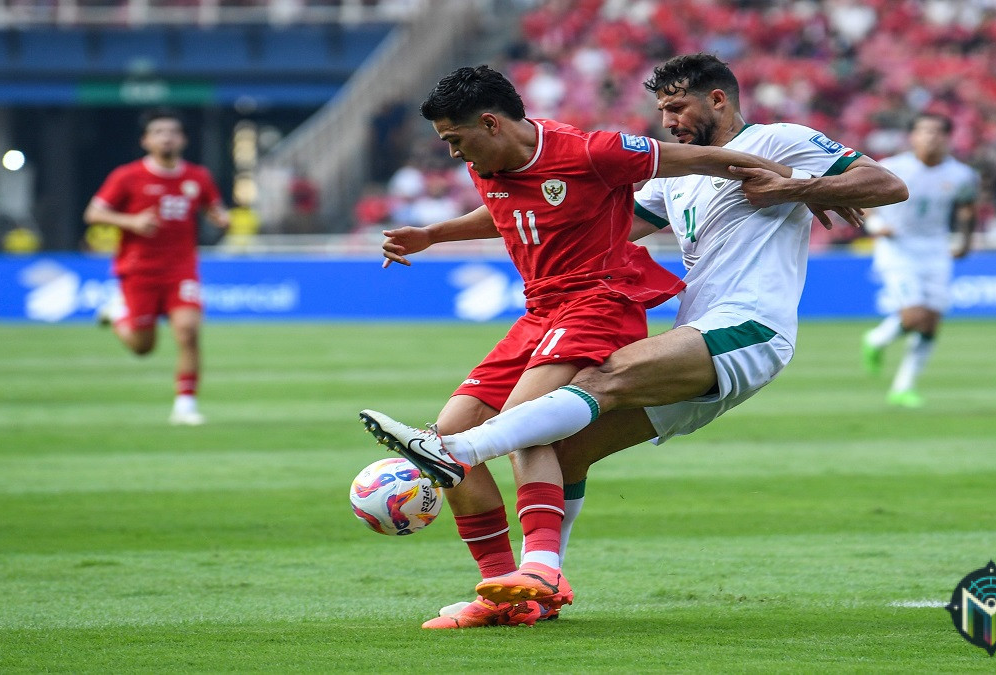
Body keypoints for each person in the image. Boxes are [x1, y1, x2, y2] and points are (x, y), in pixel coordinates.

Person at [360, 54, 907, 627]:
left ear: (718, 99)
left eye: (677, 106)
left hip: (749, 327)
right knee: (563, 446)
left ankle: (453, 452)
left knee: (597, 381)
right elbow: (581, 211)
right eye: (661, 108)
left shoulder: (780, 140)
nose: (667, 119)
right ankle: (525, 591)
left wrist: (803, 187)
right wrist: (439, 233)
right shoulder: (675, 182)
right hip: (692, 337)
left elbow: (888, 183)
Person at [84, 108, 230, 425]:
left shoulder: (198, 177)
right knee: (142, 347)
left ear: (183, 139)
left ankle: (185, 406)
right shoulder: (127, 176)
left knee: (188, 332)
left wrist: (221, 217)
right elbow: (93, 213)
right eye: (159, 132)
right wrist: (130, 221)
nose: (167, 137)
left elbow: (213, 207)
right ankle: (117, 313)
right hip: (139, 270)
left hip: (181, 269)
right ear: (146, 140)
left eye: (173, 131)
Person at [859, 113, 979, 407]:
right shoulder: (892, 167)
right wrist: (875, 225)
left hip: (936, 249)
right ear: (912, 137)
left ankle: (903, 388)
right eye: (924, 131)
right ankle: (876, 340)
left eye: (937, 132)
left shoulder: (962, 175)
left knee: (931, 323)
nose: (931, 137)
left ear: (948, 138)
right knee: (914, 316)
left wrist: (965, 240)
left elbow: (967, 207)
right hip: (898, 246)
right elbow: (861, 197)